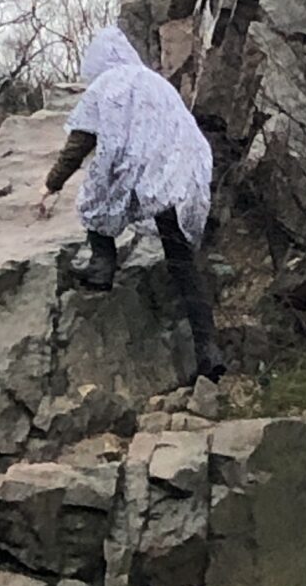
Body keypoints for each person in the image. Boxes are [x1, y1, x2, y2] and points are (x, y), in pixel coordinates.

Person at [35, 26, 225, 381]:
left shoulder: (106, 85)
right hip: (183, 170)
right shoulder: (158, 84)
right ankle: (208, 349)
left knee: (95, 197)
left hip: (143, 167)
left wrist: (51, 184)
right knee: (182, 261)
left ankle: (102, 265)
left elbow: (80, 142)